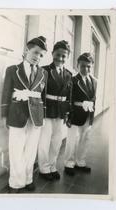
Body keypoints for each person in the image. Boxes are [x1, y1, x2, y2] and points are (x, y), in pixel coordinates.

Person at [1, 36, 48, 193]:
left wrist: (43, 117)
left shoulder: (43, 73)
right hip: (17, 114)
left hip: (36, 116)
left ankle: (28, 179)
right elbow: (6, 93)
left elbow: (43, 97)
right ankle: (15, 182)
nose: (37, 57)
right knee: (16, 149)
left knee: (30, 149)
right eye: (35, 52)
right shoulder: (12, 70)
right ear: (26, 50)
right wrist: (4, 115)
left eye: (41, 55)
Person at [38, 40, 73, 181]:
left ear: (67, 57)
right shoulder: (44, 70)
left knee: (57, 141)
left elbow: (69, 95)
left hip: (60, 112)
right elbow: (40, 93)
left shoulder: (69, 74)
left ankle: (52, 166)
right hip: (47, 109)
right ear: (52, 53)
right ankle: (43, 168)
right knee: (44, 140)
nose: (60, 58)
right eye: (58, 54)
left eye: (64, 56)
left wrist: (68, 112)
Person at [64, 53, 97, 175]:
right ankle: (69, 163)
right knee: (73, 139)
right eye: (83, 66)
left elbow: (94, 99)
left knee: (85, 138)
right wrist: (68, 114)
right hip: (75, 113)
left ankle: (80, 162)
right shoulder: (73, 80)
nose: (86, 69)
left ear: (91, 66)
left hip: (88, 114)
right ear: (77, 65)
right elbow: (69, 98)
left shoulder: (94, 81)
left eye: (88, 66)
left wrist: (92, 115)